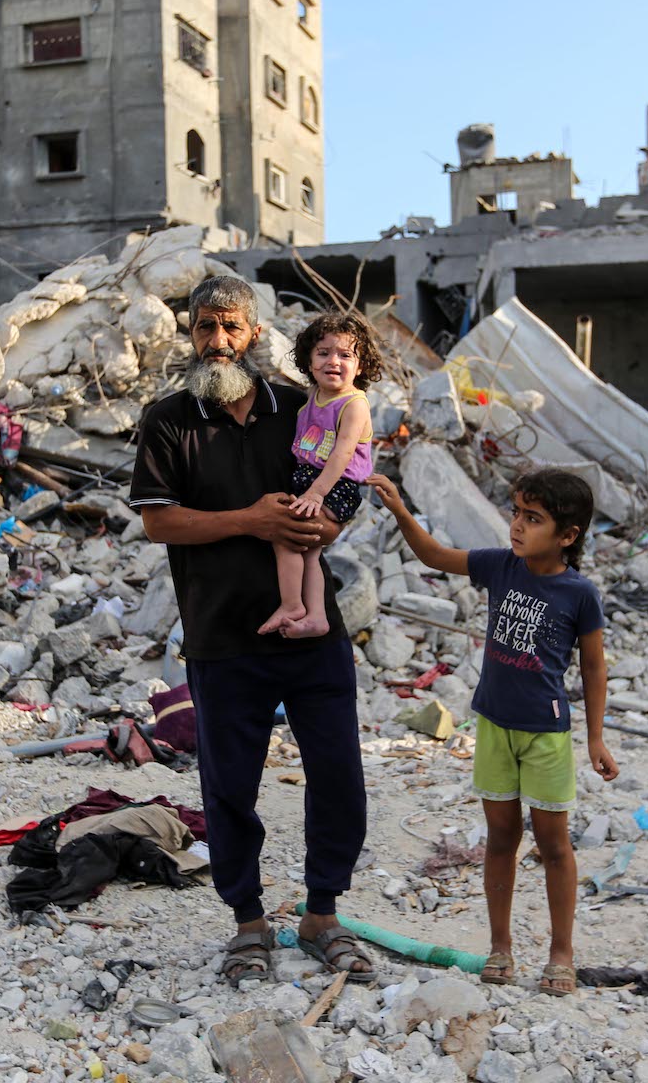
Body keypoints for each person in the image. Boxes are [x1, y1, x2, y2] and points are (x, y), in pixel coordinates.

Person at [130, 275, 375, 986]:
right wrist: (252, 520)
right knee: (229, 788)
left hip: (311, 634)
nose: (218, 342)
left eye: (232, 327)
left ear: (256, 333)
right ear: (190, 332)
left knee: (337, 775)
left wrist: (331, 519)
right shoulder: (168, 419)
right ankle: (248, 924)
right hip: (221, 634)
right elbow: (157, 520)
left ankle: (323, 915)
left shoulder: (303, 407)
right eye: (205, 327)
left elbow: (348, 474)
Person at [368, 467, 618, 995]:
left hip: (546, 734)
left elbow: (594, 668)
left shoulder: (580, 594)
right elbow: (435, 556)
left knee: (554, 844)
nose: (518, 527)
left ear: (568, 535)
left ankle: (561, 952)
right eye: (516, 514)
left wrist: (595, 738)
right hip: (494, 727)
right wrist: (399, 510)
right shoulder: (502, 566)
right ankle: (500, 947)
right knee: (501, 837)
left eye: (534, 518)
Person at [257, 312, 378, 638]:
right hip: (311, 478)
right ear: (309, 361)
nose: (333, 361)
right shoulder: (314, 397)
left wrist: (316, 494)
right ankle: (316, 617)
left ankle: (293, 604)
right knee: (308, 550)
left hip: (336, 484)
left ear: (361, 365)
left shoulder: (354, 404)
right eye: (323, 353)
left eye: (345, 355)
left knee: (288, 536)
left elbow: (341, 454)